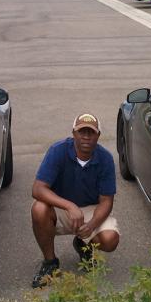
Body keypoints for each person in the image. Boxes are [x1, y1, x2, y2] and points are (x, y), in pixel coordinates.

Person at [30, 112, 120, 288]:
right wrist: (69, 206)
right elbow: (38, 188)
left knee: (110, 240)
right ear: (73, 133)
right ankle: (50, 263)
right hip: (62, 208)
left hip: (91, 210)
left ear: (98, 135)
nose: (86, 136)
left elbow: (106, 201)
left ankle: (83, 244)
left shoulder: (106, 158)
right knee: (39, 209)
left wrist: (93, 224)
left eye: (91, 132)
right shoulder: (58, 150)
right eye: (81, 131)